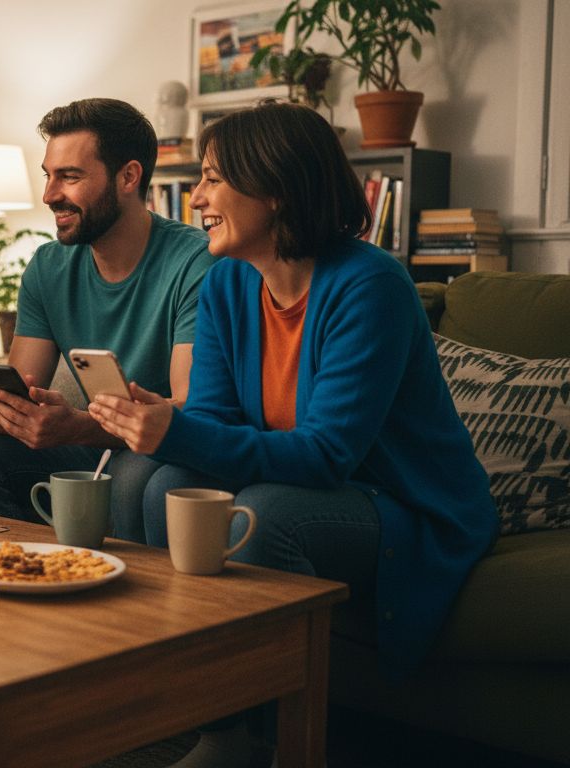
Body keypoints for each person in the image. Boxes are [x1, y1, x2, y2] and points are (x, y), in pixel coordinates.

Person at [88, 102, 497, 768]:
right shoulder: (225, 283)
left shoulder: (372, 286)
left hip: (400, 505)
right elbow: (216, 423)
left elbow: (329, 454)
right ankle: (220, 733)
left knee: (264, 516)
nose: (196, 199)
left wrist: (175, 432)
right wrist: (165, 425)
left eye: (214, 179)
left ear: (275, 189)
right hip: (303, 480)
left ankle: (287, 744)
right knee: (157, 483)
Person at [0, 98, 216, 540]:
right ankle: (27, 574)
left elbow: (188, 410)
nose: (51, 194)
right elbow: (24, 384)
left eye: (70, 176)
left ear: (128, 177)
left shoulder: (195, 262)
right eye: (49, 176)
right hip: (92, 445)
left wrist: (80, 424)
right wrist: (9, 410)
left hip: (163, 448)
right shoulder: (48, 266)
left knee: (134, 476)